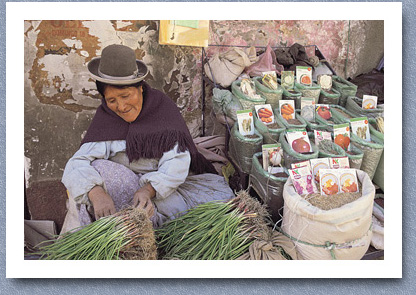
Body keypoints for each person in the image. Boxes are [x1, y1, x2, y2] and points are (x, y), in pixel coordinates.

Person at [61, 44, 234, 230]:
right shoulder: (106, 118)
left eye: (126, 96)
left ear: (140, 89)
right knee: (89, 181)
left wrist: (147, 190)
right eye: (112, 100)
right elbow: (76, 163)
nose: (121, 106)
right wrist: (96, 193)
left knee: (186, 220)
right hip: (123, 187)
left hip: (161, 188)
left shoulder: (162, 110)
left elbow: (176, 163)